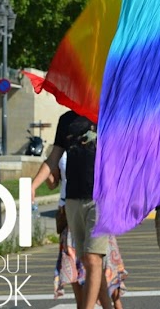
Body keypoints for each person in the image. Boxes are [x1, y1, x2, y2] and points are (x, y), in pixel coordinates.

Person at [32, 111, 113, 309]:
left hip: (101, 199)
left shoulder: (108, 112)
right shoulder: (66, 120)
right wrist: (33, 185)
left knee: (93, 259)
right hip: (73, 200)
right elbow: (53, 158)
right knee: (87, 260)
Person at [50, 152, 127, 308]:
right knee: (76, 274)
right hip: (70, 215)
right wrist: (47, 171)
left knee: (104, 268)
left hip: (96, 209)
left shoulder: (97, 143)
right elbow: (52, 183)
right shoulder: (62, 150)